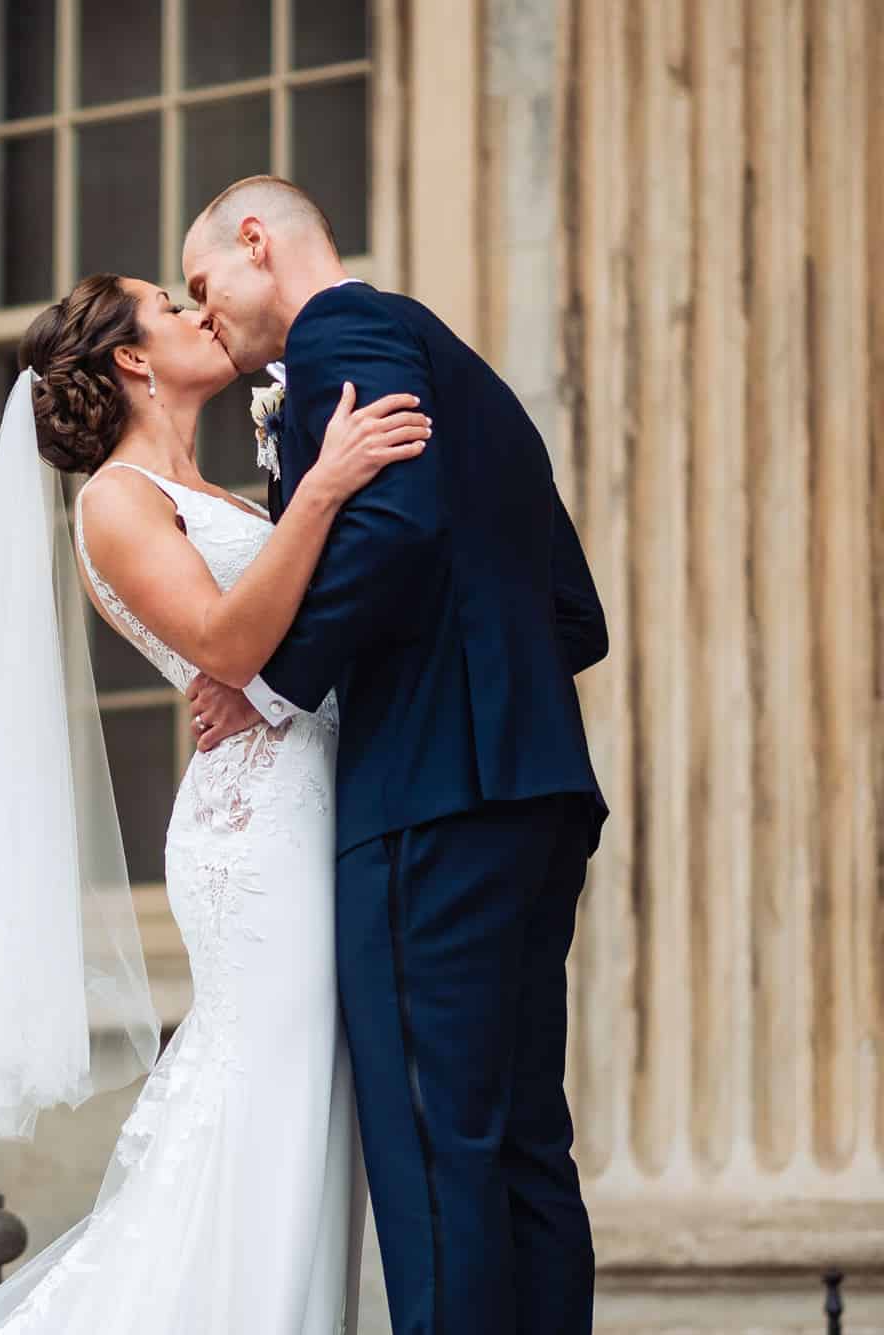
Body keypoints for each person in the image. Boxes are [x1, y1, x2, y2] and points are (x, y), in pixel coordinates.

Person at [0, 267, 430, 1333]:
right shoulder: (114, 501)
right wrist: (327, 488)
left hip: (307, 799)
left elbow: (266, 645)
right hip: (254, 841)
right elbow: (227, 643)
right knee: (265, 1105)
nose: (200, 312)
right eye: (169, 304)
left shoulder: (217, 496)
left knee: (301, 1110)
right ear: (130, 358)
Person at [180, 175, 608, 1335]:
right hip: (533, 793)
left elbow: (396, 531)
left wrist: (264, 680)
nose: (200, 314)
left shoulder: (342, 332)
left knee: (430, 1152)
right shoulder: (467, 377)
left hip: (428, 797)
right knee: (519, 1143)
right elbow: (576, 616)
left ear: (256, 241)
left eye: (200, 283)